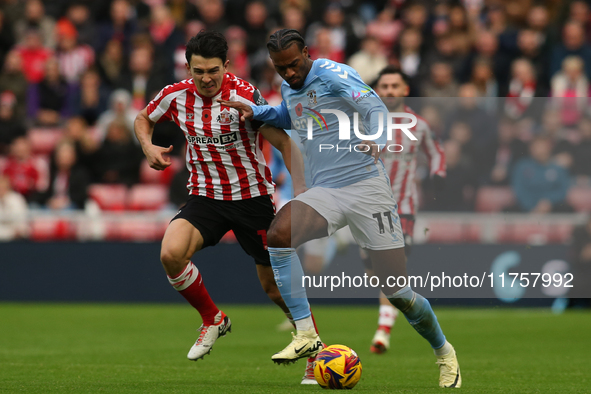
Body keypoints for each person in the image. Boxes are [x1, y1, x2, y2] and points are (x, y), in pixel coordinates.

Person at [219, 29, 461, 388]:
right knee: (278, 235)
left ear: (306, 52)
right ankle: (305, 333)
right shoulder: (288, 85)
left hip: (366, 188)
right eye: (280, 68)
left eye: (293, 64)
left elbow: (374, 106)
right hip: (326, 192)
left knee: (397, 293)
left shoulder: (334, 73)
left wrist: (378, 139)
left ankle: (444, 353)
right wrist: (257, 111)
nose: (289, 74)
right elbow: (290, 117)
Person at [133, 30, 316, 384]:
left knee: (275, 288)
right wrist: (148, 146)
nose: (205, 78)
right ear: (187, 68)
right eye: (197, 71)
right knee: (171, 254)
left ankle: (313, 347)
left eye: (212, 71)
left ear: (226, 66)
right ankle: (213, 319)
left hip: (252, 200)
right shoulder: (174, 96)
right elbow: (143, 118)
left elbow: (284, 143)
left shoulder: (244, 95)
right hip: (205, 198)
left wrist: (304, 192)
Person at [363, 66, 446, 355]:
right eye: (384, 86)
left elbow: (437, 153)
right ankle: (390, 317)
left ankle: (383, 329)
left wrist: (438, 175)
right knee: (375, 268)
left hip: (403, 207)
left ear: (405, 90)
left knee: (391, 268)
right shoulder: (364, 122)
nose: (389, 91)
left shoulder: (418, 124)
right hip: (367, 206)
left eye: (394, 86)